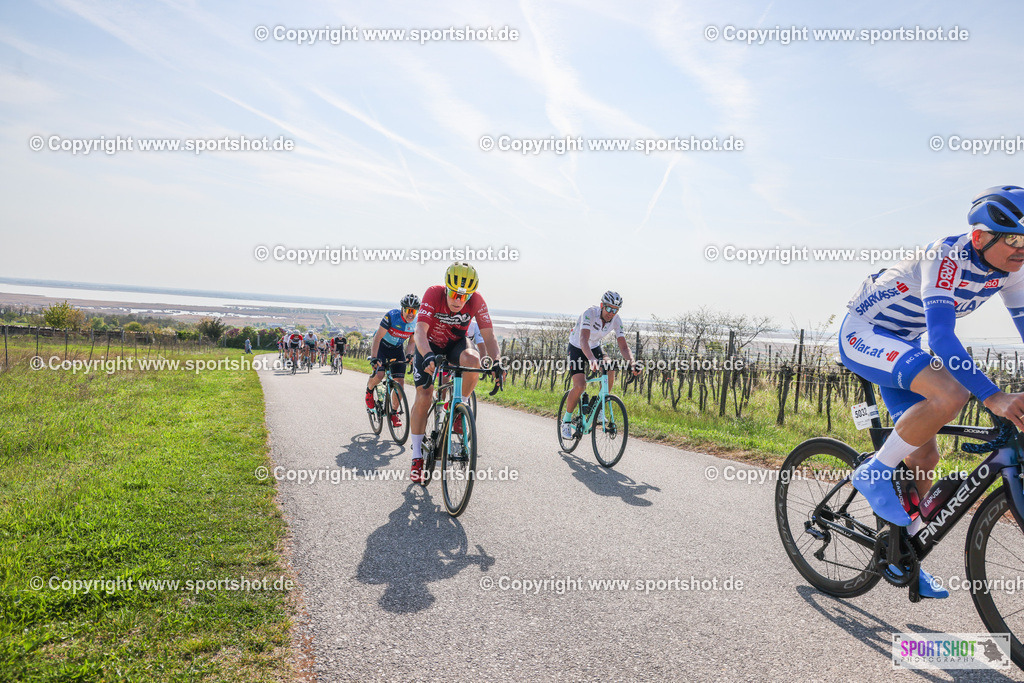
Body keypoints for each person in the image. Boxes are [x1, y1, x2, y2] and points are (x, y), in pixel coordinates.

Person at [842, 185, 1024, 599]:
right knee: (952, 394)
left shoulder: (1013, 269)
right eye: (1013, 238)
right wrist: (993, 395)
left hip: (905, 342)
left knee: (925, 455)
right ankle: (873, 472)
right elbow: (942, 337)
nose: (1021, 248)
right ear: (980, 237)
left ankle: (901, 551)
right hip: (866, 334)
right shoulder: (946, 257)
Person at [409, 263, 504, 482]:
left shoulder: (477, 301)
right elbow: (419, 332)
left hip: (455, 344)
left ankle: (458, 407)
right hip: (429, 345)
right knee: (424, 395)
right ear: (446, 288)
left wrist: (497, 361)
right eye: (454, 294)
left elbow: (489, 337)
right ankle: (416, 456)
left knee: (473, 359)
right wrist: (428, 355)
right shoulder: (433, 293)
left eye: (464, 296)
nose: (458, 301)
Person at [560, 291, 641, 440]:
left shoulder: (616, 320)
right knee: (580, 385)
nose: (611, 313)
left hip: (595, 347)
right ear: (602, 305)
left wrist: (633, 362)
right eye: (609, 308)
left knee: (610, 366)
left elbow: (623, 347)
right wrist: (591, 359)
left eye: (615, 310)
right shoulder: (590, 313)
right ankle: (565, 421)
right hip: (577, 347)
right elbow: (583, 339)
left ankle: (601, 406)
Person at [366, 295, 419, 427]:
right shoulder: (392, 316)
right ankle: (369, 391)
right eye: (408, 310)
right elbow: (377, 337)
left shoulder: (416, 322)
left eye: (414, 311)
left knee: (399, 383)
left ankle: (394, 413)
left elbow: (412, 341)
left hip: (397, 349)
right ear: (403, 309)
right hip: (382, 347)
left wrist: (409, 355)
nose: (411, 314)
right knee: (379, 374)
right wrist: (374, 358)